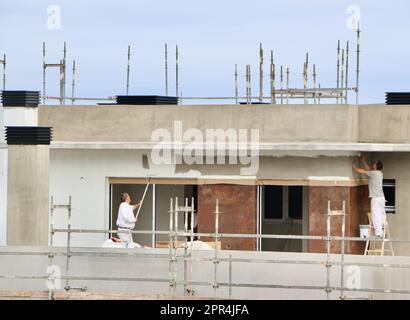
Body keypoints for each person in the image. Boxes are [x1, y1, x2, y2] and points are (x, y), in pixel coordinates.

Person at [352, 155, 386, 238]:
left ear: (376, 166)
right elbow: (368, 169)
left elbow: (363, 171)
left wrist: (354, 168)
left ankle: (378, 234)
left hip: (376, 199)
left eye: (374, 163)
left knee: (375, 215)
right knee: (381, 214)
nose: (373, 164)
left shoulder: (373, 173)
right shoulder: (379, 173)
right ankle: (382, 229)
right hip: (381, 198)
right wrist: (363, 160)